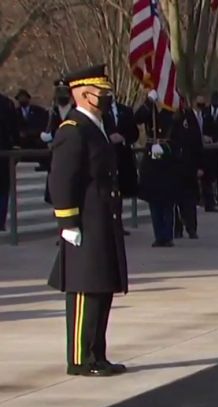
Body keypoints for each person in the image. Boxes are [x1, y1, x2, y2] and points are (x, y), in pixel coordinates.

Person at [46, 64, 128, 377]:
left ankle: (97, 353)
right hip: (84, 223)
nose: (106, 98)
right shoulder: (73, 129)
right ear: (83, 93)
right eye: (101, 93)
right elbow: (63, 180)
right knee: (84, 289)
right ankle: (81, 358)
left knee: (101, 287)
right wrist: (68, 223)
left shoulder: (96, 126)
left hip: (102, 218)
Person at [136, 90, 183, 247]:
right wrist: (149, 101)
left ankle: (167, 235)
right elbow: (138, 118)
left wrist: (169, 148)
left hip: (168, 158)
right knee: (154, 200)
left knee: (168, 200)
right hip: (152, 158)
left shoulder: (174, 105)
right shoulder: (151, 108)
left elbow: (180, 131)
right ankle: (159, 235)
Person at [171, 97, 205, 239]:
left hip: (189, 166)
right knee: (174, 201)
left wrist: (200, 166)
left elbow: (197, 143)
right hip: (173, 166)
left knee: (189, 200)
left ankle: (191, 228)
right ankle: (176, 229)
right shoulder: (169, 117)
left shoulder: (190, 117)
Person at [41, 80, 75, 205]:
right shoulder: (52, 112)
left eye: (64, 92)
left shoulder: (76, 111)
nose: (62, 95)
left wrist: (54, 135)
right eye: (59, 92)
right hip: (56, 156)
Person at [103, 92, 140, 201]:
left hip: (124, 158)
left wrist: (123, 138)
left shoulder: (126, 111)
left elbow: (135, 133)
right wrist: (109, 137)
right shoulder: (100, 112)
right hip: (107, 158)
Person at [0, 91, 16, 231]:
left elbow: (13, 129)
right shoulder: (7, 103)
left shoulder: (6, 104)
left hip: (4, 154)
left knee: (3, 189)